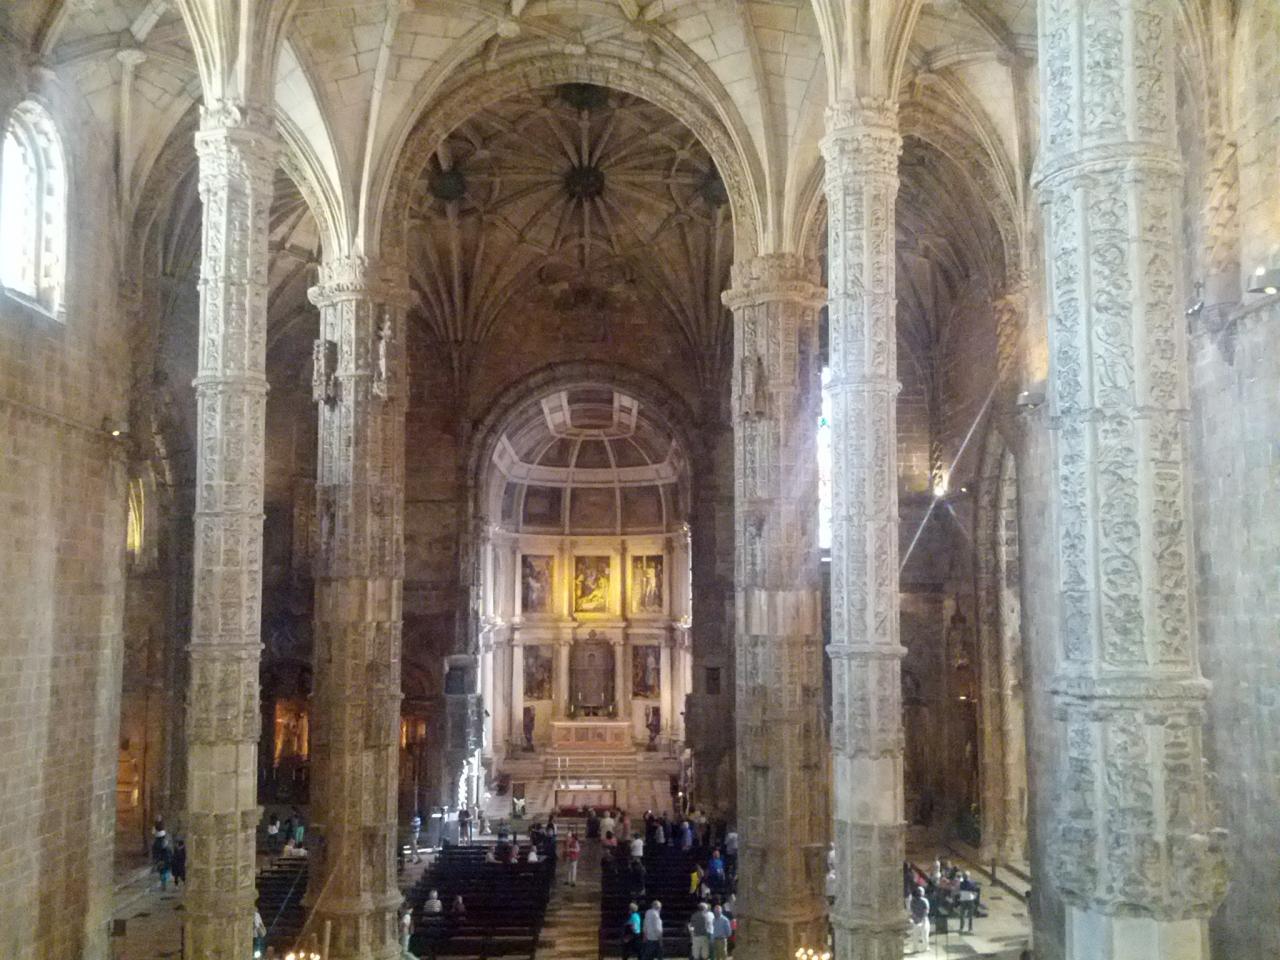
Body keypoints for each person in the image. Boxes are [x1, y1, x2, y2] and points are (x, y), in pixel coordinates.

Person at [909, 886, 930, 954]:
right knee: (925, 935)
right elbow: (926, 911)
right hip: (923, 920)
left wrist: (915, 918)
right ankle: (925, 948)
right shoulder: (924, 900)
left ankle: (915, 949)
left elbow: (911, 911)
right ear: (922, 893)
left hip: (915, 920)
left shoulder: (912, 901)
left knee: (915, 935)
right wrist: (921, 919)